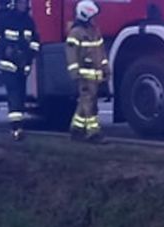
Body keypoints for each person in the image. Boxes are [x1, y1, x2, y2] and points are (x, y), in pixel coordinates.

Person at [0, 0, 41, 141]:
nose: (23, 5)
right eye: (21, 3)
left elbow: (35, 41)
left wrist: (29, 57)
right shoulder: (5, 19)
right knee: (14, 95)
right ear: (14, 4)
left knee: (21, 96)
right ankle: (15, 127)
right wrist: (5, 47)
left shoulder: (29, 21)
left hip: (22, 65)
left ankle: (19, 125)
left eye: (24, 3)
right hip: (7, 64)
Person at [65, 1, 108, 142]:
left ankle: (76, 129)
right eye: (92, 16)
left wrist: (105, 67)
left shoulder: (94, 31)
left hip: (94, 74)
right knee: (90, 103)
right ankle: (93, 132)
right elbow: (71, 54)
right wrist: (75, 72)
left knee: (86, 102)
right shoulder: (76, 33)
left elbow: (100, 52)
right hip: (84, 74)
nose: (94, 19)